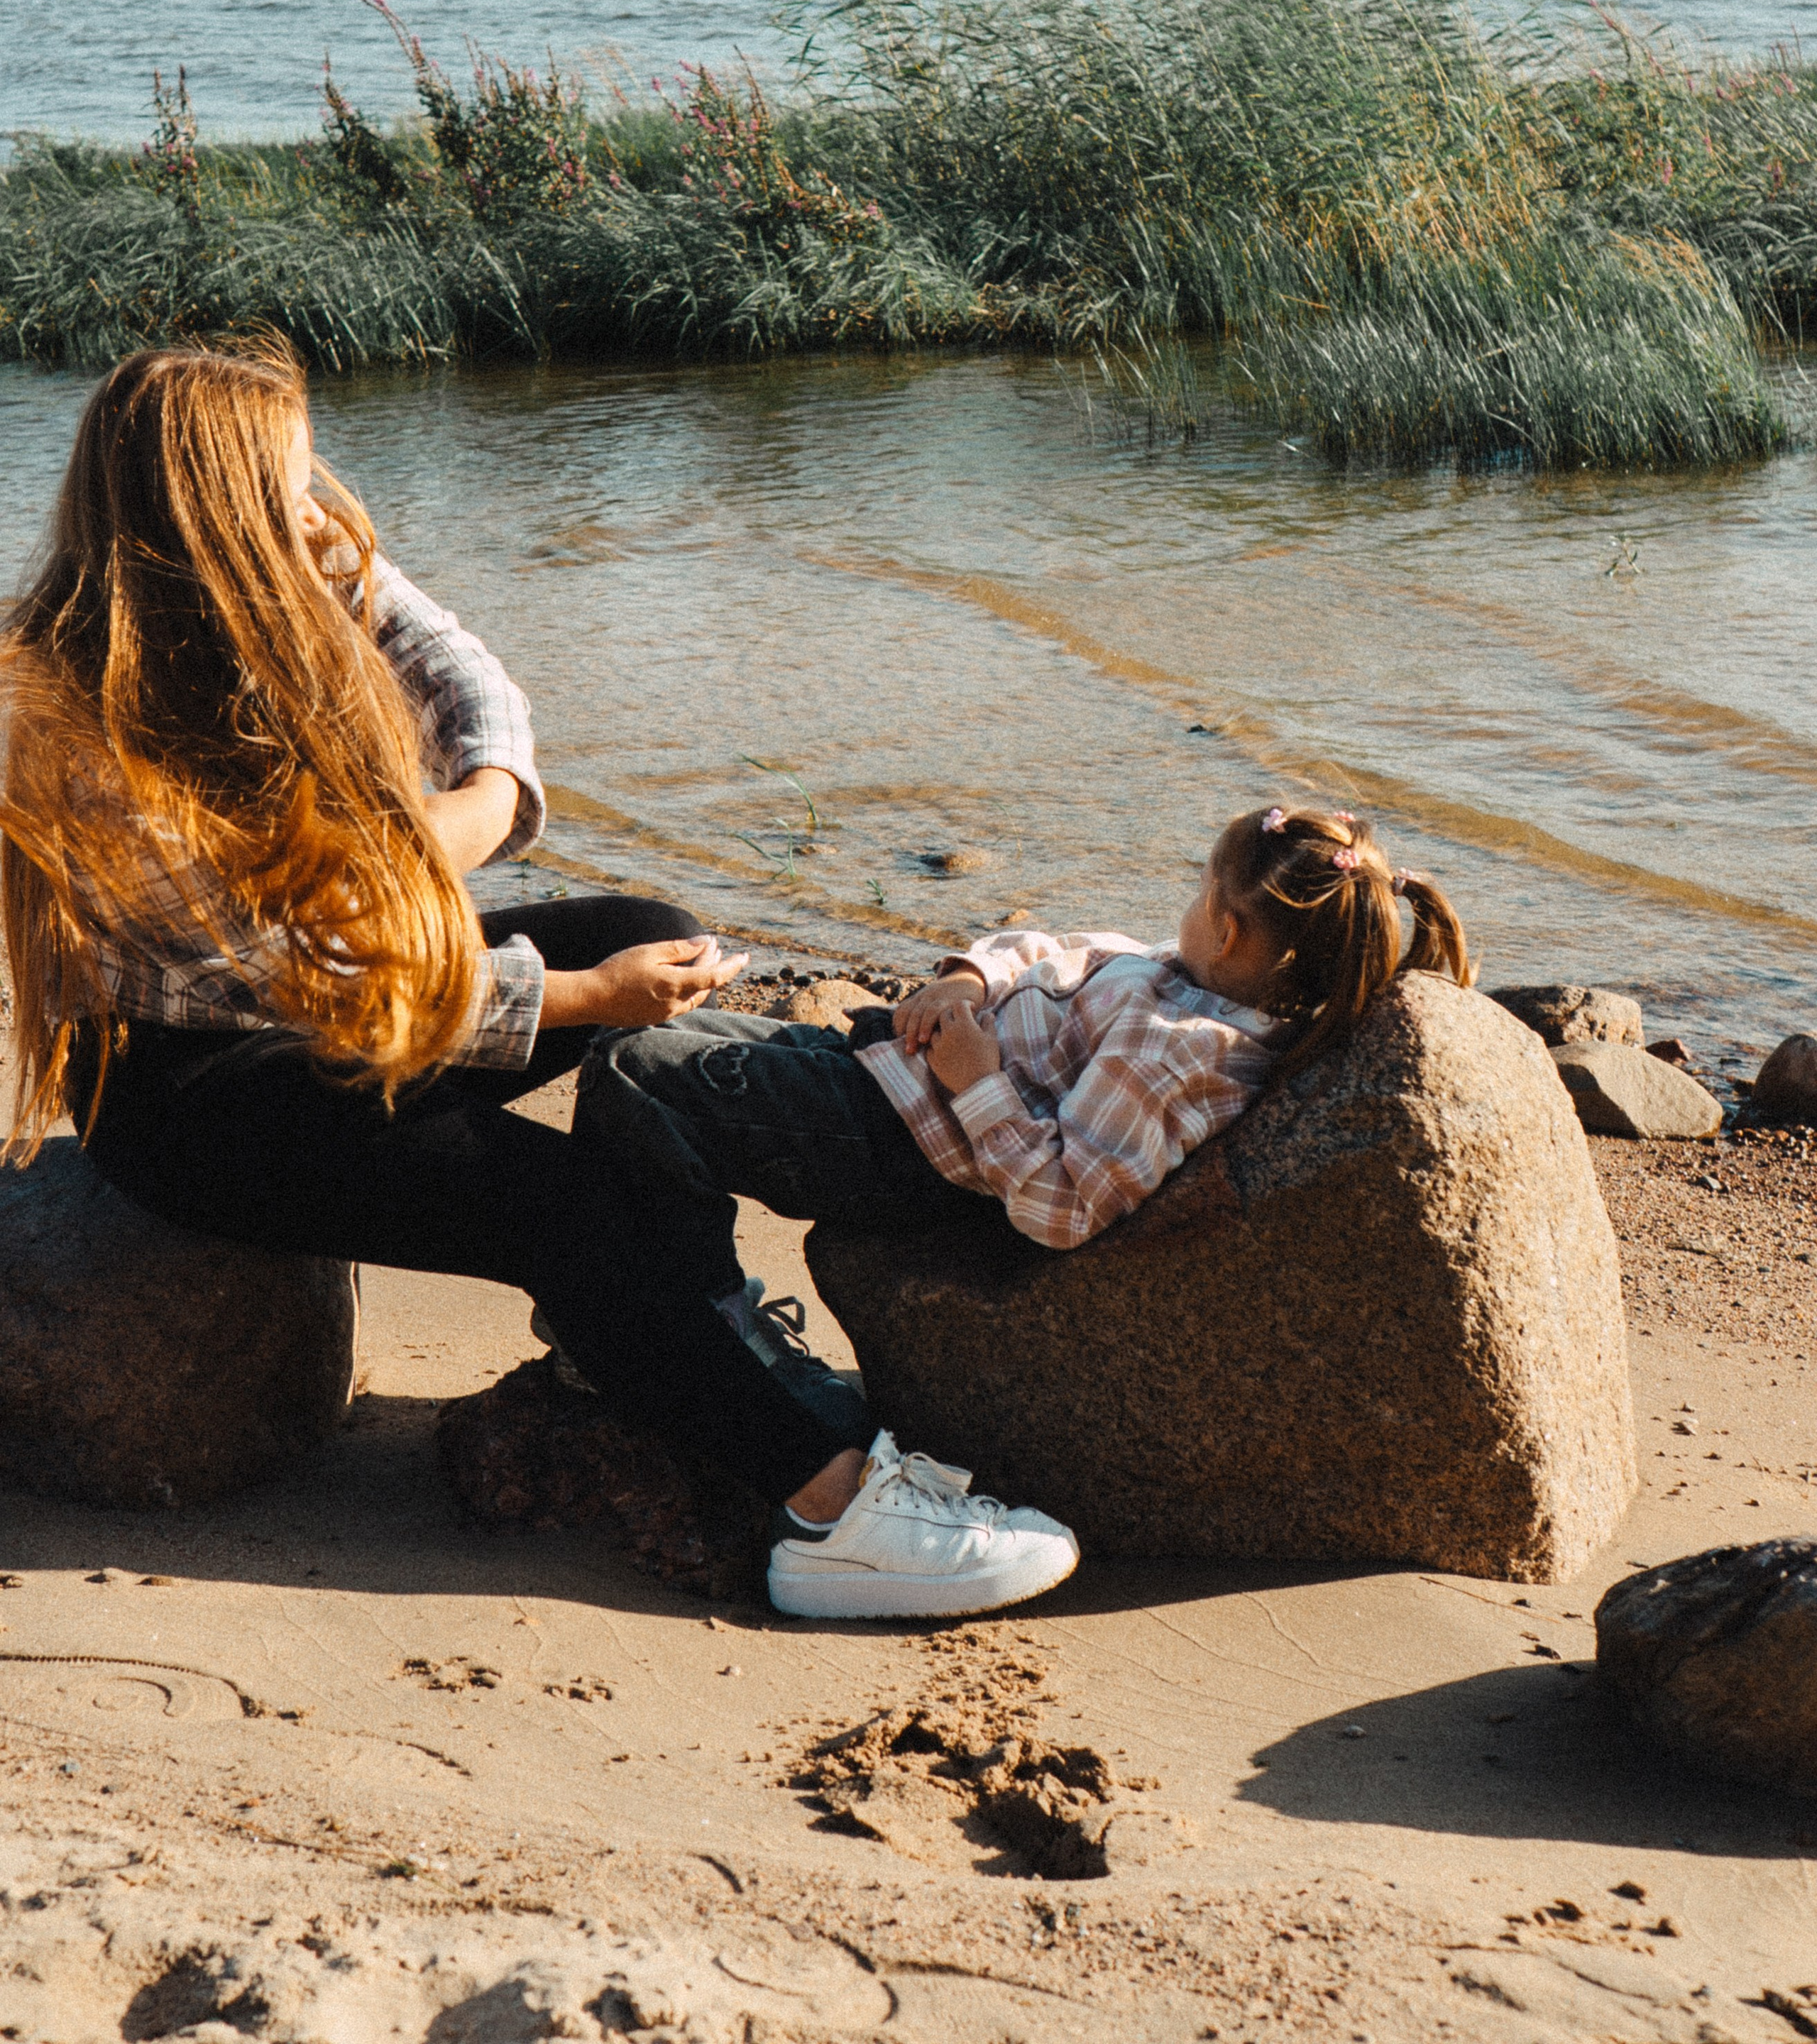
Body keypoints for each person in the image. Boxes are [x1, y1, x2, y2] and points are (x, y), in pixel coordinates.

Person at [0, 345, 1077, 1624]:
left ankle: (642, 1342)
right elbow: (299, 980)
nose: (314, 503)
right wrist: (573, 1001)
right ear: (218, 508)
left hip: (329, 998)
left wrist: (480, 809)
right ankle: (828, 1508)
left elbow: (470, 684)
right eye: (287, 481)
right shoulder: (63, 723)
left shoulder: (273, 589)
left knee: (647, 921)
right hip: (193, 1099)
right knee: (557, 1200)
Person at [575, 806, 1473, 1606]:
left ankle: (708, 1319)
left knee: (628, 1074)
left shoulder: (1183, 1054)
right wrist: (969, 980)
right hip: (878, 1064)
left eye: (1201, 889)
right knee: (632, 1039)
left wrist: (979, 1085)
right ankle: (633, 1298)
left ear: (1231, 929)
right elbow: (1054, 950)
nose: (1189, 905)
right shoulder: (1178, 975)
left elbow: (1061, 1204)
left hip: (897, 1138)